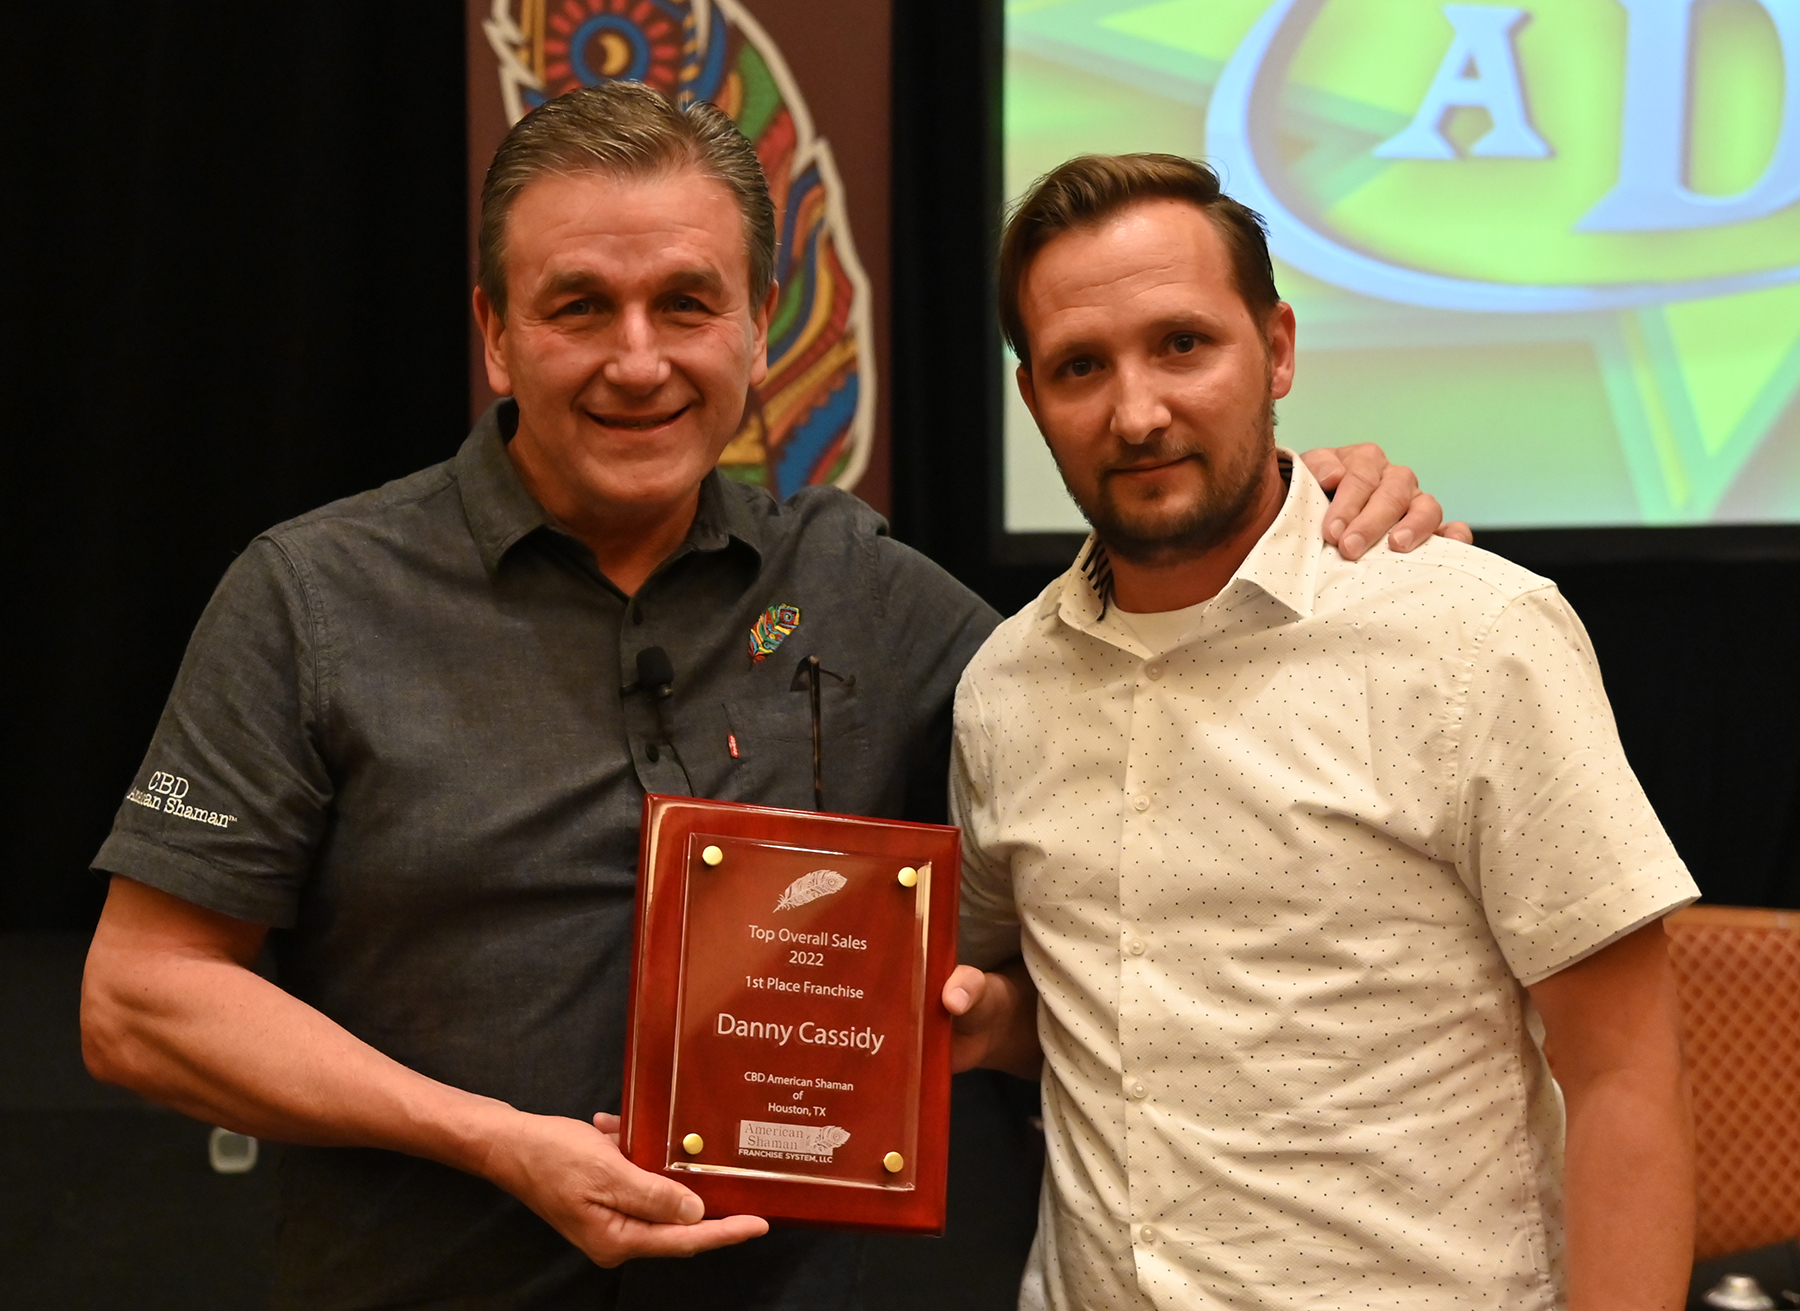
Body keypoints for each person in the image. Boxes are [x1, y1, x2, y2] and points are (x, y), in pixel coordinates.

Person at [80, 88, 1453, 1310]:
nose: (639, 360)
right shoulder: (313, 597)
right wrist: (492, 1140)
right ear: (496, 334)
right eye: (578, 307)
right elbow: (141, 998)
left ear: (757, 328)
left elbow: (1142, 691)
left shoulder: (862, 587)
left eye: (688, 303)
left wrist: (1300, 505)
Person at [942, 153, 1699, 1311]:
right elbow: (1088, 991)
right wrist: (996, 1020)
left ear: (1279, 349)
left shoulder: (1475, 637)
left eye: (1182, 344)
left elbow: (1624, 1078)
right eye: (1081, 366)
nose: (1137, 412)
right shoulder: (1005, 690)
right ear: (1033, 396)